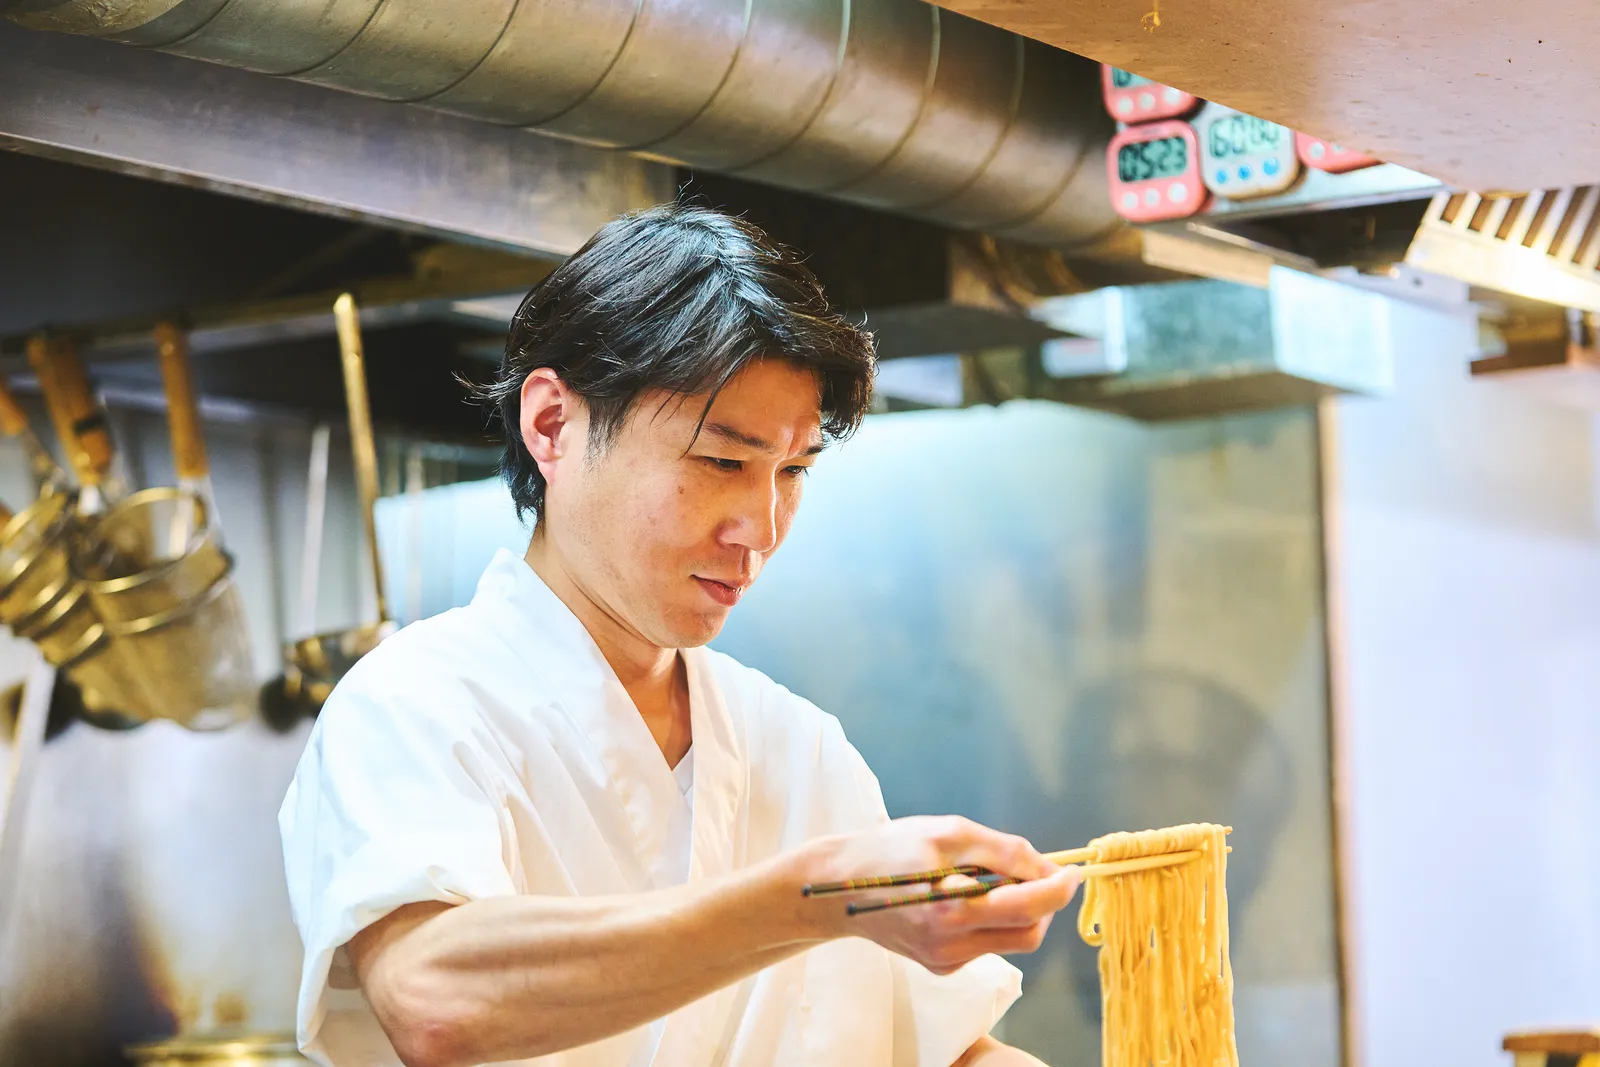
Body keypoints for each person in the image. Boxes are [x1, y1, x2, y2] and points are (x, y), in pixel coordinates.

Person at [278, 203, 1084, 1067]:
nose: (762, 527)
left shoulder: (799, 748)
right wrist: (811, 897)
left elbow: (946, 1052)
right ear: (553, 424)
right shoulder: (413, 704)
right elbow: (435, 999)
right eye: (722, 462)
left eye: (795, 471)